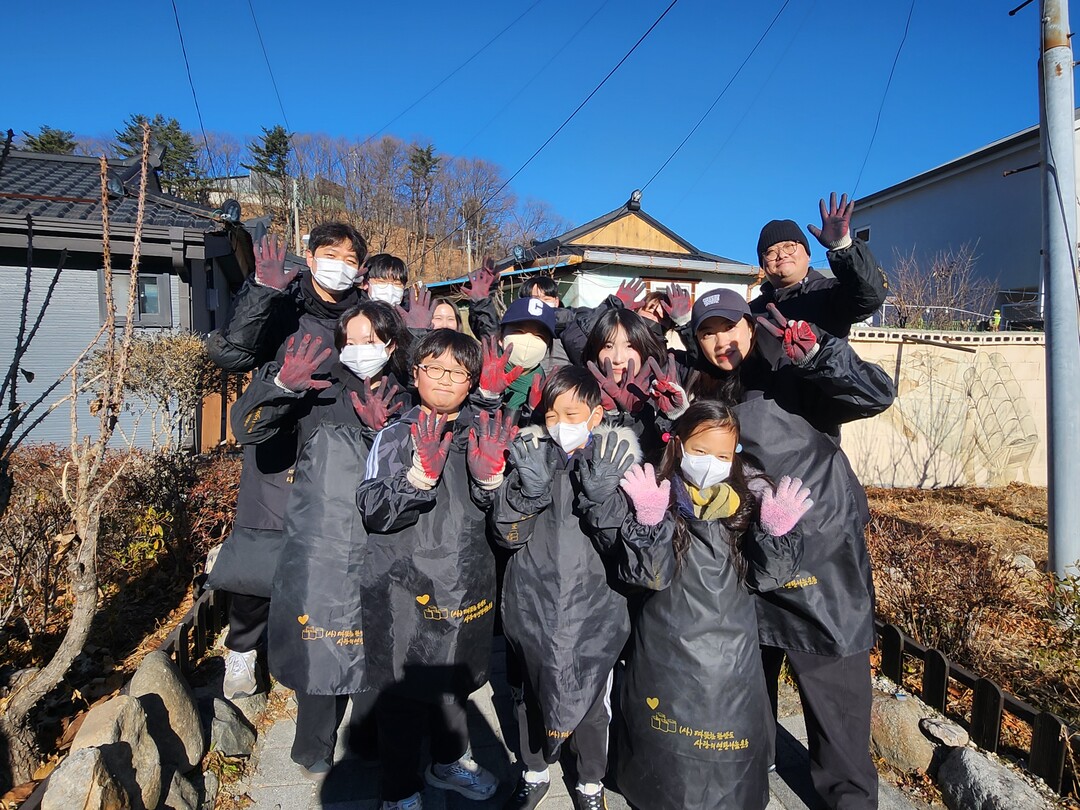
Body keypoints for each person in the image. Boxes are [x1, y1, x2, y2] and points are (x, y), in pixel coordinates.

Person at [659, 288, 894, 809]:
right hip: (745, 560)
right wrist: (678, 418)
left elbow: (875, 395)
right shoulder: (701, 388)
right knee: (748, 695)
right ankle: (752, 782)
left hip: (819, 558)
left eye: (730, 326)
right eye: (707, 331)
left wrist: (819, 357)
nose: (722, 340)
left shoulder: (792, 369)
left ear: (750, 326)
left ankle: (850, 799)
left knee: (836, 702)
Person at [230, 300, 413, 775]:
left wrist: (386, 436)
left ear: (390, 344)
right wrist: (278, 388)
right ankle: (313, 746)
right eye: (349, 341)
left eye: (369, 340)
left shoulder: (407, 396)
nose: (358, 350)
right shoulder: (316, 391)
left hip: (383, 545)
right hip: (322, 545)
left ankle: (369, 741)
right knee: (323, 644)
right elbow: (248, 430)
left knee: (377, 644)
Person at [606, 401, 808, 810]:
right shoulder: (657, 495)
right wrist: (647, 522)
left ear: (734, 456)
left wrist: (776, 534)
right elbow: (649, 576)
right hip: (667, 647)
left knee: (728, 752)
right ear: (677, 445)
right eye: (700, 451)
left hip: (731, 655)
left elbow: (767, 578)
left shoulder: (749, 503)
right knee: (664, 751)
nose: (709, 463)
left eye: (721, 455)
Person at [206, 222, 367, 700]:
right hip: (276, 434)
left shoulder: (362, 315)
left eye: (350, 259)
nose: (340, 265)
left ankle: (312, 640)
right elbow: (234, 355)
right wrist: (258, 293)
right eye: (330, 253)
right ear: (310, 256)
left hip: (339, 439)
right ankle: (242, 650)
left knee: (331, 552)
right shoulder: (283, 298)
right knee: (261, 551)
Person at [356, 329, 516, 810]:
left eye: (457, 371)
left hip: (464, 579)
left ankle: (449, 762)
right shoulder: (393, 434)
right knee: (401, 696)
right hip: (401, 584)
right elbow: (373, 509)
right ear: (415, 372)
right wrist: (416, 479)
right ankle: (399, 790)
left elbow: (504, 514)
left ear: (472, 382)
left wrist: (492, 479)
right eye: (434, 368)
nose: (445, 379)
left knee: (455, 685)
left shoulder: (482, 433)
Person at [493, 366, 639, 810]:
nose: (561, 425)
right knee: (530, 693)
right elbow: (505, 533)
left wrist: (603, 497)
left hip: (595, 603)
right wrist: (526, 494)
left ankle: (590, 781)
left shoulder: (620, 461)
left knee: (594, 698)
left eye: (572, 414)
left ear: (596, 415)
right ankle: (534, 771)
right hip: (533, 600)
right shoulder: (529, 457)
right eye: (552, 415)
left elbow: (626, 542)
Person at [752, 193, 889, 339]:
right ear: (763, 264)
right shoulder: (751, 312)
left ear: (808, 255)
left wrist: (842, 247)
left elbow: (869, 296)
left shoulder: (830, 292)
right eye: (771, 252)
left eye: (789, 246)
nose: (781, 255)